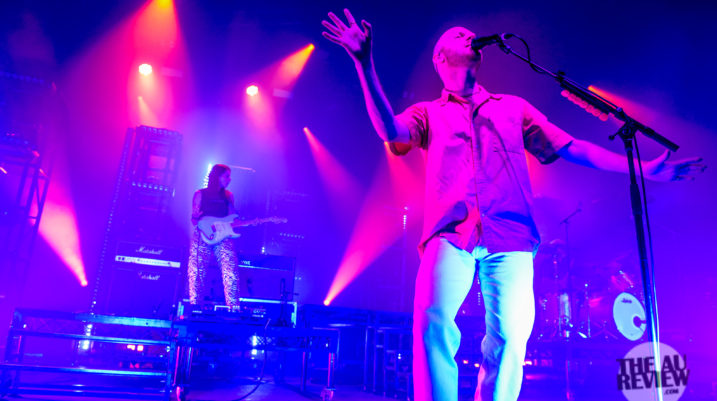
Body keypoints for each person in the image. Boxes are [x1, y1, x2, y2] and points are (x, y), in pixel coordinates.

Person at [321, 9, 705, 401]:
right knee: (431, 322)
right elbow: (390, 130)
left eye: (470, 33)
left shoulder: (512, 107)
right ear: (439, 57)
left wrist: (641, 167)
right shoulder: (428, 112)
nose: (469, 36)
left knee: (511, 335)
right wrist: (364, 63)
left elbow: (571, 146)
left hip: (512, 232)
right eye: (458, 34)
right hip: (450, 233)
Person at [188, 164, 240, 307]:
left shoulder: (228, 196)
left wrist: (245, 222)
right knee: (196, 271)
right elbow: (194, 221)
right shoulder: (200, 194)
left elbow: (232, 218)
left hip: (223, 236)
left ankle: (233, 308)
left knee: (230, 271)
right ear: (217, 176)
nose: (229, 179)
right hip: (202, 235)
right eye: (226, 176)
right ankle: (194, 307)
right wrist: (195, 216)